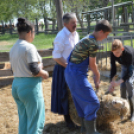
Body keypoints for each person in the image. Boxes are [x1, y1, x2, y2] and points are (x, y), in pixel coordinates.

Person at [64, 20, 112, 134]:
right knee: (93, 102)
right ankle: (92, 131)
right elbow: (92, 64)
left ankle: (84, 129)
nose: (106, 37)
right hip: (76, 74)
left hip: (70, 73)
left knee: (80, 101)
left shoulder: (86, 38)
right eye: (106, 35)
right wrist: (97, 74)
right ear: (101, 31)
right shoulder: (93, 43)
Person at [10, 17, 49, 134]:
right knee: (35, 123)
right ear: (29, 32)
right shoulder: (29, 47)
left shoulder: (13, 48)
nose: (34, 35)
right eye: (34, 32)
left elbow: (15, 69)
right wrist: (45, 74)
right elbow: (34, 69)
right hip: (30, 88)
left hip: (16, 85)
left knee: (24, 119)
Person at [51, 13, 79, 128]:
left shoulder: (75, 34)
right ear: (65, 24)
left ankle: (75, 118)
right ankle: (68, 121)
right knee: (64, 94)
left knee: (74, 94)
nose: (75, 24)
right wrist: (68, 67)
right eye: (73, 23)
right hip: (63, 68)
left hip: (73, 68)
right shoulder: (61, 36)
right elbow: (57, 56)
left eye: (76, 22)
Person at [108, 39, 134, 122]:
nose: (115, 55)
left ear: (122, 49)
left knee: (129, 83)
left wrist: (119, 81)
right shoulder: (113, 53)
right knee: (122, 86)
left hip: (132, 64)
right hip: (124, 64)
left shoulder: (129, 53)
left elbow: (129, 73)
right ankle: (123, 109)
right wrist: (112, 83)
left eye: (117, 53)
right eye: (114, 53)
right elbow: (113, 69)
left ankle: (133, 112)